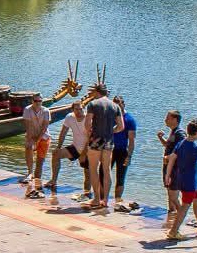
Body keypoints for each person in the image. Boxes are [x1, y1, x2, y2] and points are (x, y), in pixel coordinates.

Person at [82, 83, 123, 211]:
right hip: (109, 140)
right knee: (106, 169)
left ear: (97, 92)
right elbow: (121, 126)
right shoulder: (115, 106)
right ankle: (105, 199)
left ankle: (96, 198)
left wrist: (90, 133)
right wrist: (111, 131)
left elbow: (87, 123)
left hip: (96, 138)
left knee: (93, 168)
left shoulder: (93, 104)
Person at [156, 109, 187, 230]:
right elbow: (169, 146)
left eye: (168, 118)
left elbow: (182, 151)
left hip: (174, 169)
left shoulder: (180, 133)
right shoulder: (173, 132)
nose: (165, 120)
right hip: (168, 167)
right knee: (169, 192)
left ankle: (181, 216)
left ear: (175, 119)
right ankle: (172, 215)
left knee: (173, 194)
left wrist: (169, 158)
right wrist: (161, 138)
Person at [48, 101, 87, 192]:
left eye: (81, 109)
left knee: (88, 174)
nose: (79, 111)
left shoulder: (88, 119)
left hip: (87, 149)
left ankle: (87, 192)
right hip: (75, 147)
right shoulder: (69, 117)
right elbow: (63, 133)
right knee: (56, 154)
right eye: (76, 109)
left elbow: (91, 138)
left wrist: (84, 154)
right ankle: (54, 180)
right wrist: (58, 147)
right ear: (72, 110)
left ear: (84, 109)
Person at [20, 94, 52, 191]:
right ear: (32, 101)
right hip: (32, 135)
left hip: (44, 136)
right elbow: (28, 126)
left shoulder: (46, 111)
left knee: (40, 161)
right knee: (28, 147)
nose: (38, 103)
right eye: (36, 101)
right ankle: (30, 172)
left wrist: (38, 140)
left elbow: (44, 127)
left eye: (40, 101)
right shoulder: (27, 109)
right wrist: (31, 140)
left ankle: (37, 180)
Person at [112, 95, 138, 210]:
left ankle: (117, 200)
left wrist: (129, 156)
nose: (117, 107)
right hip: (110, 149)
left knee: (120, 177)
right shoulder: (111, 117)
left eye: (119, 105)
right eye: (115, 106)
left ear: (123, 105)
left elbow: (131, 140)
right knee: (103, 173)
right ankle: (103, 198)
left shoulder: (129, 120)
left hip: (122, 151)